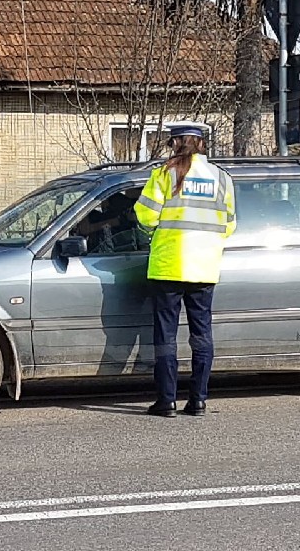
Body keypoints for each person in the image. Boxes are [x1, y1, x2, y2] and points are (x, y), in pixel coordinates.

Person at [133, 122, 236, 417]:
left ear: (175, 143)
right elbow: (229, 225)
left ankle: (166, 401)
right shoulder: (222, 178)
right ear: (201, 144)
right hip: (204, 266)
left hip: (169, 265)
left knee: (166, 336)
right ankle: (199, 400)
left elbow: (146, 215)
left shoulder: (165, 174)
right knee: (201, 335)